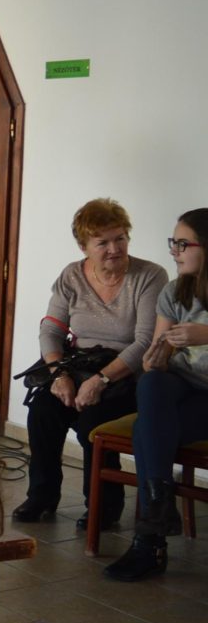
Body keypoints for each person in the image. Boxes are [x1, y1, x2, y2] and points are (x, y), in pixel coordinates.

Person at [13, 199, 167, 530]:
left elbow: (144, 342)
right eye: (103, 242)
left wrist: (100, 380)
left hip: (127, 375)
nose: (115, 248)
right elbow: (51, 331)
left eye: (120, 238)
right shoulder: (72, 276)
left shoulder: (149, 276)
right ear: (84, 247)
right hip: (77, 367)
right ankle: (41, 496)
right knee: (42, 411)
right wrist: (58, 375)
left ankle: (103, 506)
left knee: (92, 424)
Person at [104, 208, 208, 582]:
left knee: (146, 431)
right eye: (173, 243)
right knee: (151, 384)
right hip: (182, 391)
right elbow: (157, 358)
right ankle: (159, 511)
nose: (174, 251)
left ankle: (148, 545)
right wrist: (155, 358)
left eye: (182, 244)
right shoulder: (174, 291)